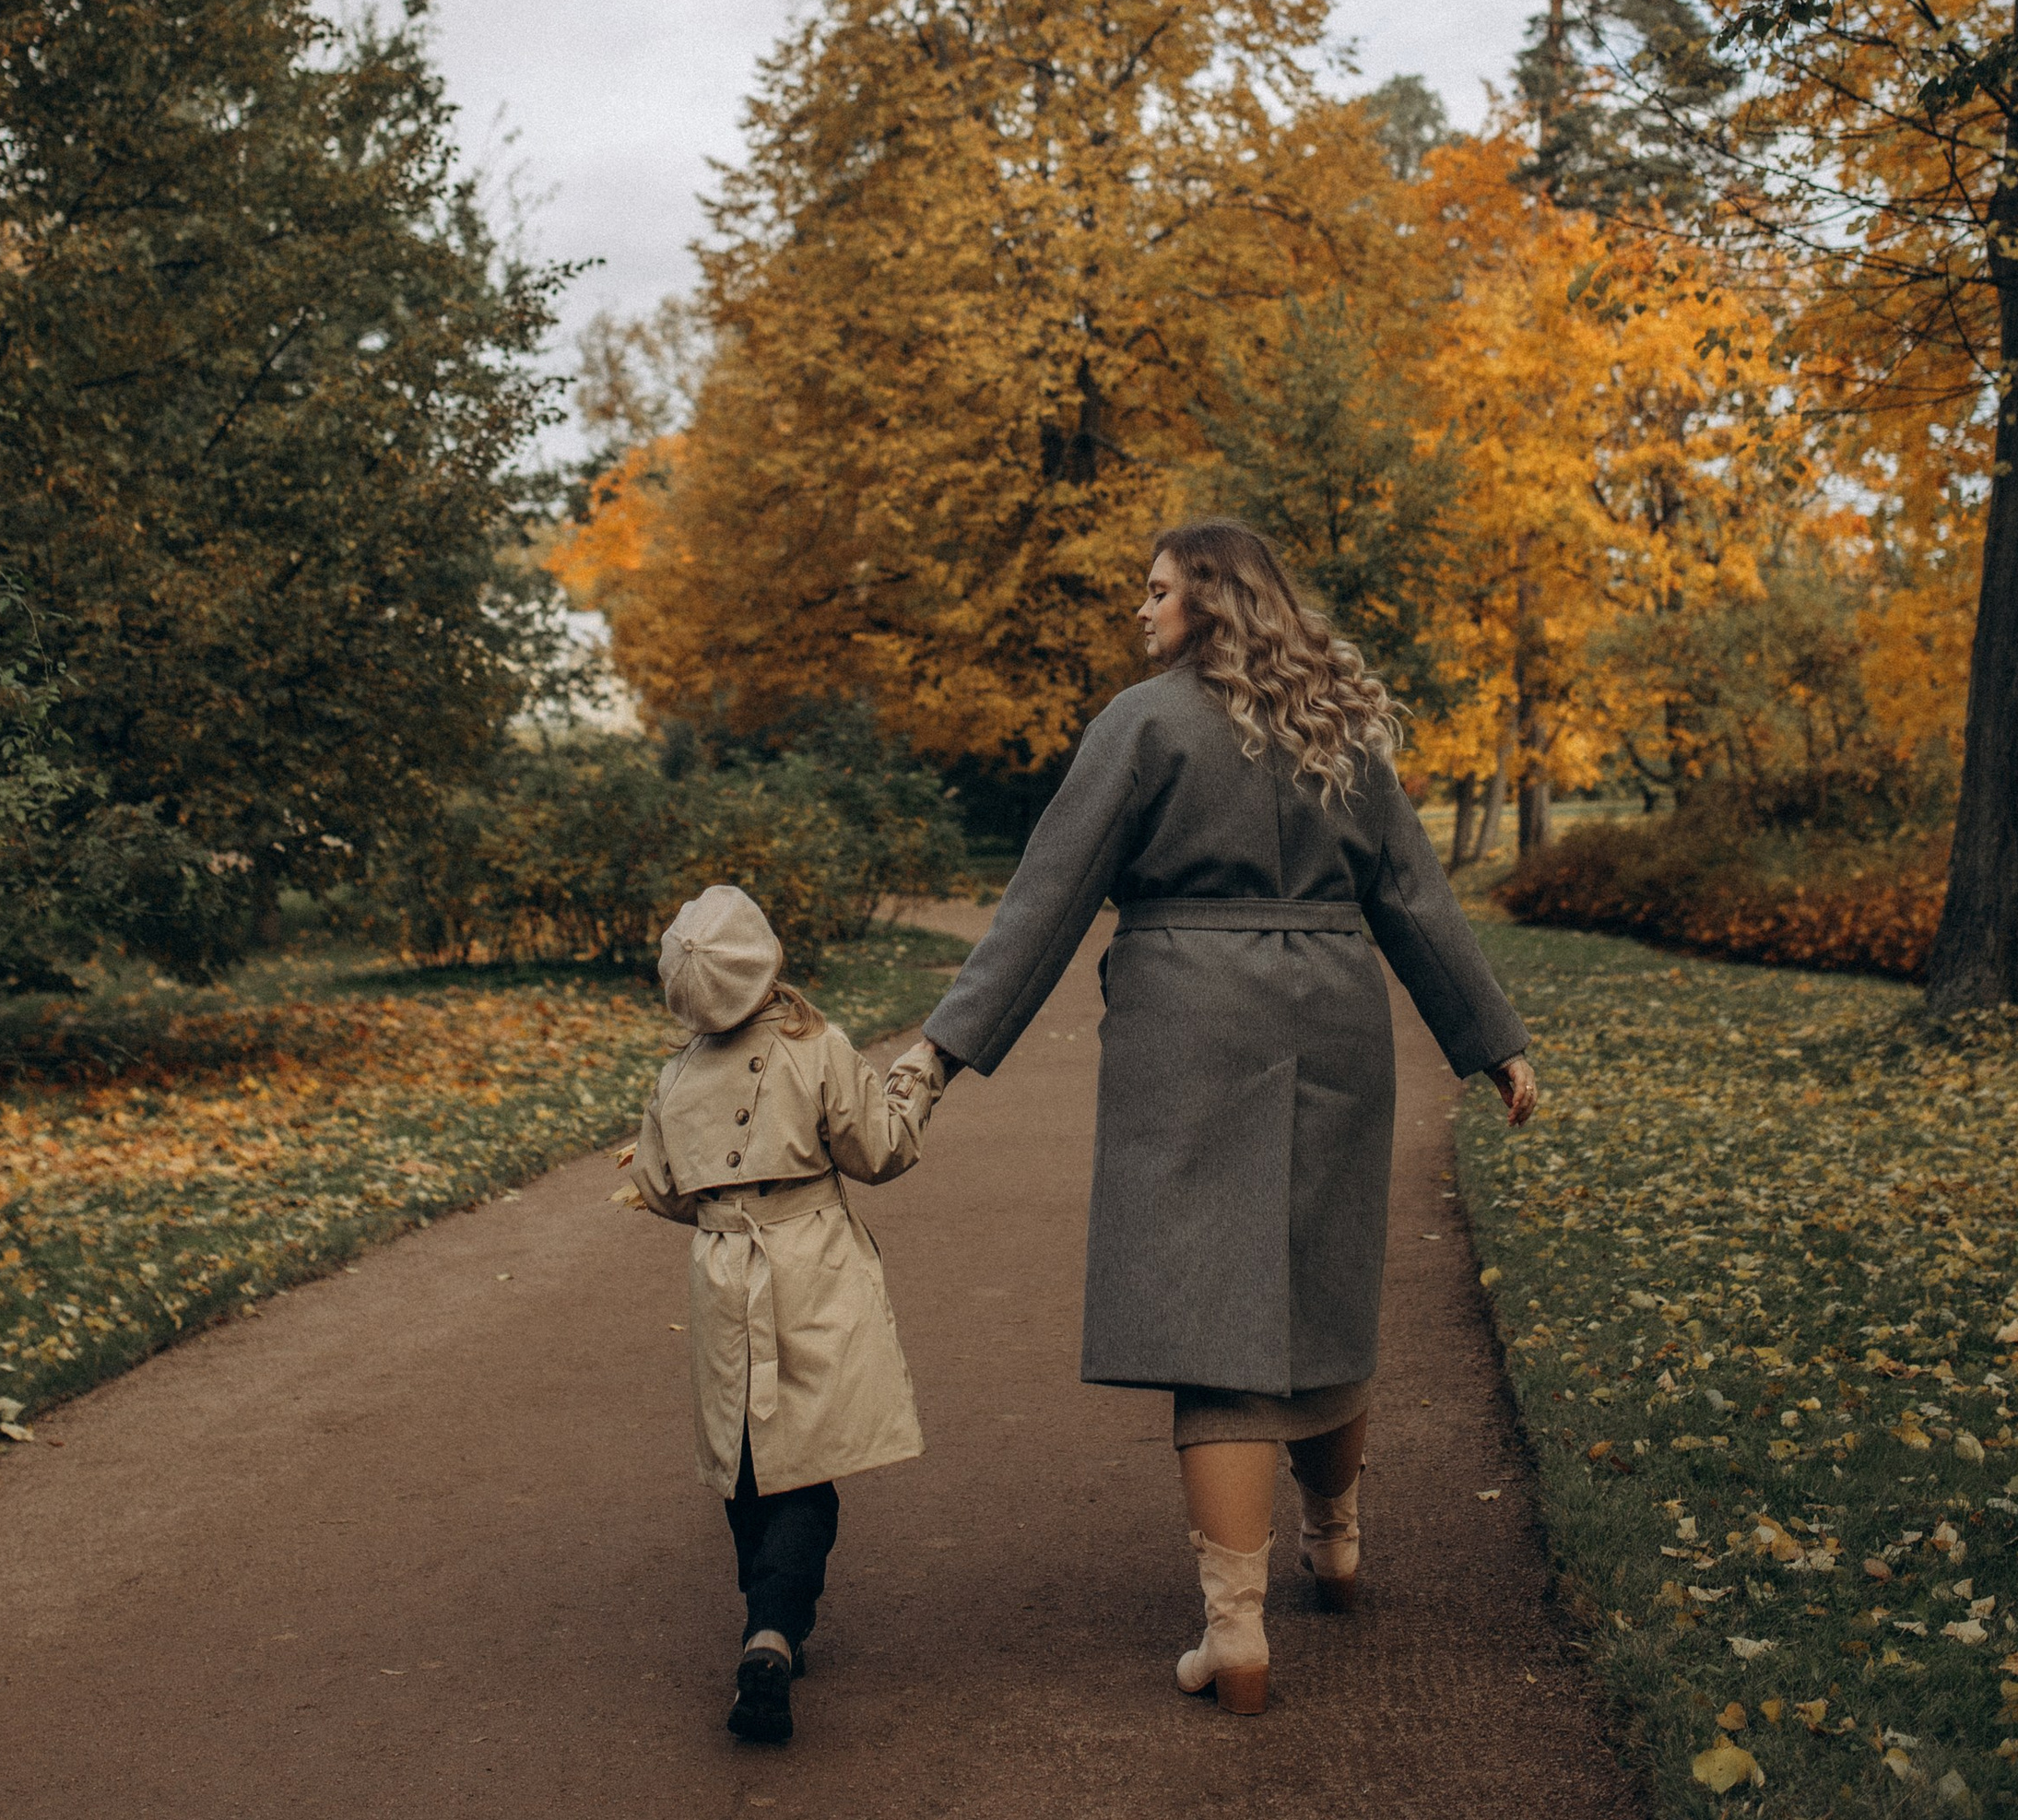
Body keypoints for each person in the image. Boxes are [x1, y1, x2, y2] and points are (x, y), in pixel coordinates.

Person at [917, 519, 1538, 1716]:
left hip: (1191, 1026)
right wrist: (1490, 1038)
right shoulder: (1339, 725)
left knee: (1214, 1315)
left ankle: (1237, 1635)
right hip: (1336, 1014)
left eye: (1155, 593)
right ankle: (1340, 1542)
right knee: (1321, 1280)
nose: (1141, 613)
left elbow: (1048, 898)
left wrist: (945, 1051)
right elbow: (1409, 891)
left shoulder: (1143, 723)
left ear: (1206, 598)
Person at [620, 882, 946, 1743]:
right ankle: (772, 1630)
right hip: (812, 1265)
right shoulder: (821, 1048)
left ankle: (767, 1616)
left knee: (747, 1451)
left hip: (725, 1273)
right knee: (807, 1453)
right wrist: (916, 1082)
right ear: (765, 962)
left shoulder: (676, 1075)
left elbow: (662, 1189)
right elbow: (878, 1150)